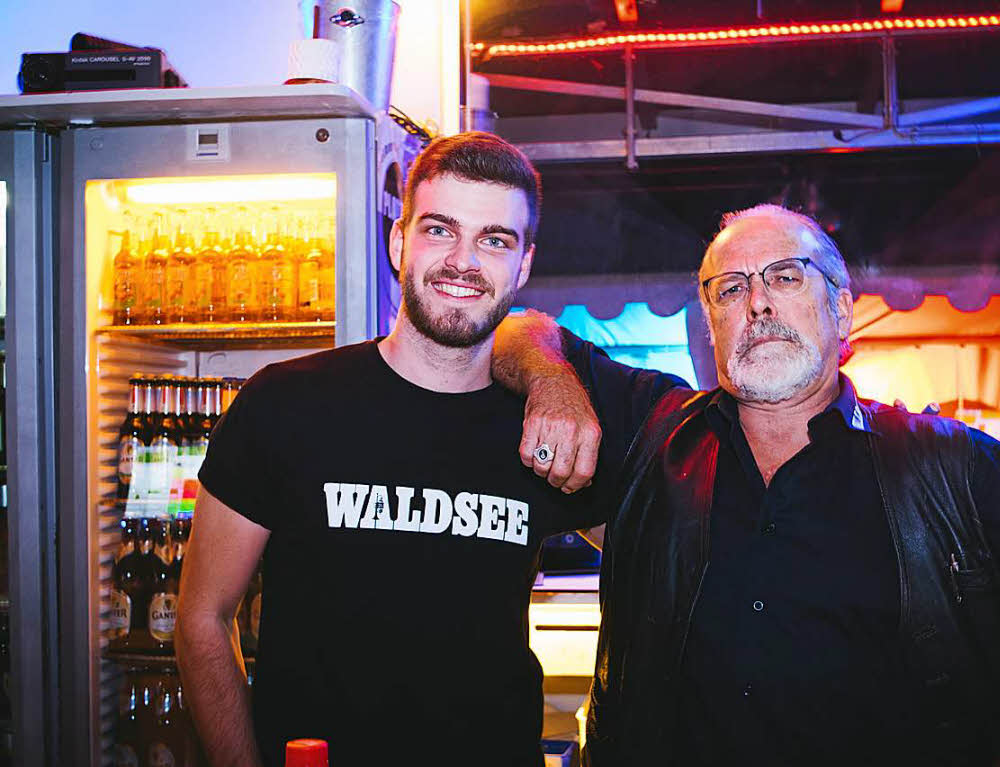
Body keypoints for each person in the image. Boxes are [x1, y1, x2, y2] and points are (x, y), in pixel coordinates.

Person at [175, 132, 652, 767]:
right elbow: (203, 617)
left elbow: (654, 562)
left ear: (525, 265)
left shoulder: (544, 427)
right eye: (439, 230)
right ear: (399, 242)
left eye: (494, 240)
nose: (464, 261)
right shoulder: (283, 406)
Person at [495, 204, 1000, 766]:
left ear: (841, 309)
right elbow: (512, 332)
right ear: (711, 325)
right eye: (729, 289)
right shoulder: (649, 435)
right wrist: (553, 382)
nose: (758, 302)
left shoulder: (955, 468)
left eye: (786, 277)